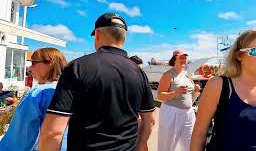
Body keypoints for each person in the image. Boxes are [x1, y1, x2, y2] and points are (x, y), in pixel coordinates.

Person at [39, 13, 156, 151]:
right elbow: (150, 120)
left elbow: (53, 132)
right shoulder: (139, 73)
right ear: (123, 38)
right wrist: (140, 146)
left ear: (98, 34)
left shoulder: (77, 67)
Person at [0, 48, 68, 150]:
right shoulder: (73, 91)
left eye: (34, 63)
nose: (30, 68)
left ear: (50, 63)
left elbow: (20, 138)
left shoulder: (38, 94)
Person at [157, 50, 201, 151]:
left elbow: (190, 97)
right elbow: (160, 95)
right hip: (171, 112)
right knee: (167, 145)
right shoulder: (168, 75)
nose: (184, 59)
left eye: (185, 57)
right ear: (174, 59)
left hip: (189, 113)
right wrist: (175, 93)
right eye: (181, 57)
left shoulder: (186, 74)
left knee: (190, 143)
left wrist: (196, 92)